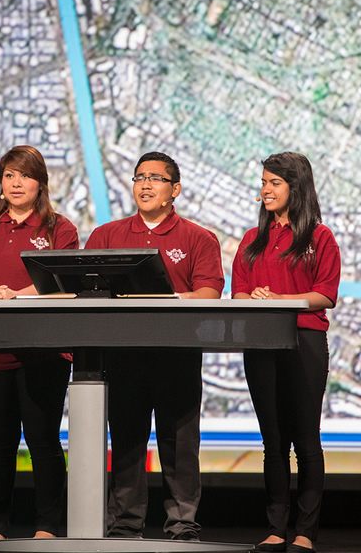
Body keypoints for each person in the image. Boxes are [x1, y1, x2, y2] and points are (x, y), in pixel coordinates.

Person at [84, 151, 224, 541]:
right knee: (127, 441)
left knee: (179, 444)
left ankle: (182, 525)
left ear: (174, 190)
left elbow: (209, 292)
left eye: (156, 178)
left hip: (176, 355)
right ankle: (125, 526)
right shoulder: (106, 236)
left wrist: (170, 302)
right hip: (123, 355)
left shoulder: (198, 237)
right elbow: (87, 292)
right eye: (139, 177)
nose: (145, 185)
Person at [0, 145, 79, 541]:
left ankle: (47, 527)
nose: (16, 182)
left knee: (43, 442)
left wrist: (15, 296)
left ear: (40, 182)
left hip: (45, 352)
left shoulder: (60, 228)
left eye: (24, 175)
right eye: (9, 175)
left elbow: (61, 284)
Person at [231, 152, 341, 553]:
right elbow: (239, 291)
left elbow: (325, 294)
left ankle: (305, 533)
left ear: (297, 188)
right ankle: (276, 528)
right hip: (261, 344)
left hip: (304, 342)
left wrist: (281, 299)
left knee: (305, 439)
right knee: (272, 440)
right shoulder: (251, 240)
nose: (265, 190)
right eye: (263, 182)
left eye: (274, 183)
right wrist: (256, 299)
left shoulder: (319, 237)